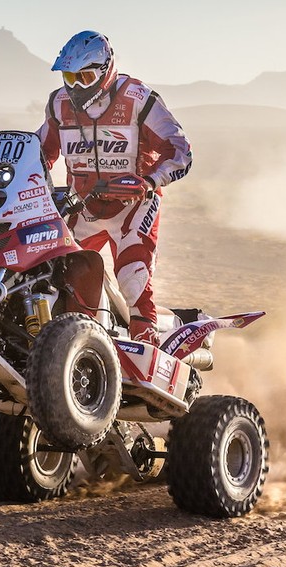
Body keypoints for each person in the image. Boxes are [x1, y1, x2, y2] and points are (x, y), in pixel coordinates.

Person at [37, 30, 192, 346]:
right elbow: (40, 152)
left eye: (85, 76)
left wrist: (149, 181)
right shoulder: (59, 104)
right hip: (82, 207)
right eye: (69, 76)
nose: (76, 85)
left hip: (133, 206)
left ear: (106, 69)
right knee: (60, 277)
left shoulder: (138, 99)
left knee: (132, 279)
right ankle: (79, 348)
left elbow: (180, 150)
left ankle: (147, 349)